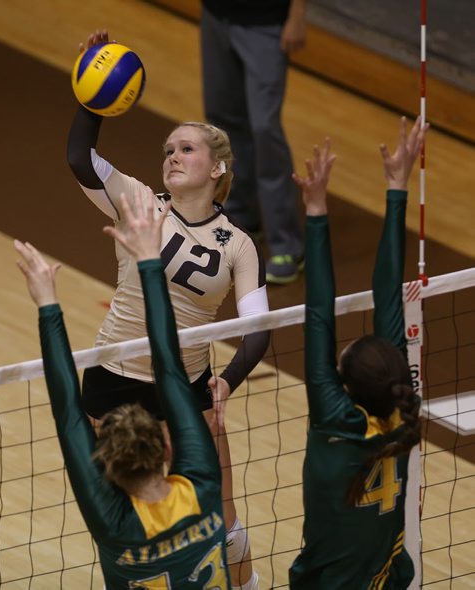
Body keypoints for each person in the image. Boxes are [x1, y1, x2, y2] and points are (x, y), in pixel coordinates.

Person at [67, 31, 268, 590]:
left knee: (222, 519)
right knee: (121, 514)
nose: (172, 156)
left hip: (190, 385)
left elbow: (258, 332)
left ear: (217, 168)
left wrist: (228, 380)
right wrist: (90, 95)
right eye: (168, 149)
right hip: (113, 378)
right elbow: (79, 159)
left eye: (186, 149)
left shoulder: (238, 245)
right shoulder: (137, 199)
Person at [14, 191, 231, 588]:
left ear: (105, 464)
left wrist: (48, 304)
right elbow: (169, 366)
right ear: (166, 448)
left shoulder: (112, 521)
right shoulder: (202, 485)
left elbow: (68, 414)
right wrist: (151, 261)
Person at [289, 116, 427, 589]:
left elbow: (318, 315)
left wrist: (315, 207)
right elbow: (386, 299)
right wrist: (396, 187)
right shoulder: (399, 409)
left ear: (346, 383)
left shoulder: (339, 421)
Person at [200, 0, 308, 285]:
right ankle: (240, 216)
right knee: (222, 120)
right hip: (215, 14)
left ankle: (286, 245)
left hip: (265, 24)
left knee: (264, 127)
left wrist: (297, 16)